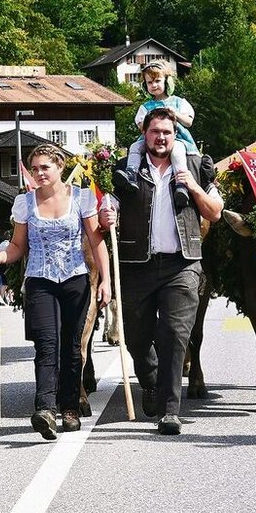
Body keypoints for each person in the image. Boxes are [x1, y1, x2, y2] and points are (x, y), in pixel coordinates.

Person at [98, 108, 222, 435]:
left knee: (174, 334)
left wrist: (193, 187)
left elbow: (216, 212)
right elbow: (108, 206)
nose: (161, 138)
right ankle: (149, 379)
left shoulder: (194, 167)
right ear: (145, 135)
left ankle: (170, 410)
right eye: (155, 132)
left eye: (168, 132)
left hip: (182, 265)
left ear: (175, 135)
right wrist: (106, 214)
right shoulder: (128, 169)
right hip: (137, 265)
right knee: (137, 339)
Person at [0, 144, 110, 439]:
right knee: (46, 345)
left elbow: (96, 243)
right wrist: (3, 256)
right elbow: (19, 246)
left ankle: (69, 408)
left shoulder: (81, 199)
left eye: (45, 167)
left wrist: (105, 280)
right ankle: (45, 408)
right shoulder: (24, 203)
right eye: (35, 169)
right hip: (40, 279)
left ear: (60, 168)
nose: (39, 173)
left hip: (75, 279)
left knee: (71, 347)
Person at [120, 61, 197, 209]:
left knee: (177, 151)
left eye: (157, 81)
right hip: (150, 139)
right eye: (149, 82)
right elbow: (141, 126)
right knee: (135, 146)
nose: (153, 85)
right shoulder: (145, 107)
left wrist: (175, 114)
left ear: (167, 81)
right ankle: (131, 174)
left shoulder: (179, 102)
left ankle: (181, 183)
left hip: (176, 138)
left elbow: (189, 122)